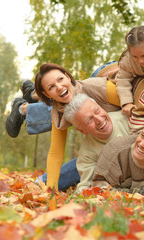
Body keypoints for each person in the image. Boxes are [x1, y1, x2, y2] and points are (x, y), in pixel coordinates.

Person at [34, 62, 121, 190]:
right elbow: (55, 153)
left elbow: (138, 107)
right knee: (87, 160)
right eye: (51, 87)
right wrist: (50, 189)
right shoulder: (59, 113)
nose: (59, 87)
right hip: (107, 143)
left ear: (68, 77)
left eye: (61, 79)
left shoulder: (98, 88)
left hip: (132, 128)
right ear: (47, 94)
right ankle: (42, 183)